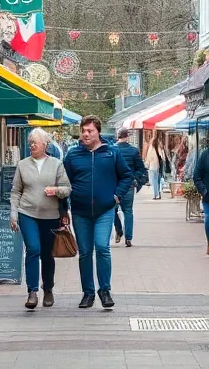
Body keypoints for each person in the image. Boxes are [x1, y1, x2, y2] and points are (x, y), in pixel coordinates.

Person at [63, 115, 132, 310]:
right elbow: (63, 182)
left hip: (105, 209)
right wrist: (64, 208)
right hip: (80, 211)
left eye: (89, 131)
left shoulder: (112, 152)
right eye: (83, 131)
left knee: (102, 248)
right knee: (85, 252)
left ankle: (105, 290)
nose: (85, 134)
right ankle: (88, 293)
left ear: (98, 132)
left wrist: (117, 196)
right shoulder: (73, 155)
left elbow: (126, 175)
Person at [9, 127, 72, 310]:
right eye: (30, 143)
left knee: (46, 253)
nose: (32, 146)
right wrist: (13, 214)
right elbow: (15, 191)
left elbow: (67, 188)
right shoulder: (22, 165)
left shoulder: (56, 164)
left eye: (35, 142)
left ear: (45, 144)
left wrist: (56, 190)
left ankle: (49, 289)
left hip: (50, 215)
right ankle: (32, 291)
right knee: (33, 249)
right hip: (27, 212)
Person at [112, 128, 147, 246]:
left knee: (113, 210)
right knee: (128, 211)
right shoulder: (133, 151)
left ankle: (119, 230)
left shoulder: (111, 150)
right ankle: (128, 237)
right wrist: (134, 177)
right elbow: (140, 168)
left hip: (114, 185)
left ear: (118, 137)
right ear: (127, 137)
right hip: (128, 185)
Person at [146, 136, 169, 200]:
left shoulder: (151, 148)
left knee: (154, 181)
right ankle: (158, 193)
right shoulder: (160, 148)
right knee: (158, 180)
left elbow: (149, 157)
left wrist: (147, 165)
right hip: (160, 167)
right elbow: (163, 158)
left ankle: (155, 194)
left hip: (153, 166)